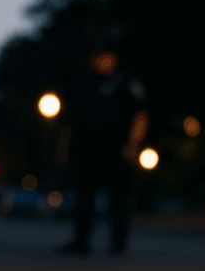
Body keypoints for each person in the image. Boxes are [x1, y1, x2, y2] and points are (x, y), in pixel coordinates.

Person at [56, 50, 148, 255]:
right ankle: (81, 242)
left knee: (119, 198)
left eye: (105, 57)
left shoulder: (126, 82)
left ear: (113, 59)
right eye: (97, 57)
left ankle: (119, 244)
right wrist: (63, 149)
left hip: (118, 150)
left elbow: (140, 115)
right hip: (87, 150)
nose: (101, 61)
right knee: (85, 197)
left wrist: (133, 145)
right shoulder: (84, 84)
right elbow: (71, 121)